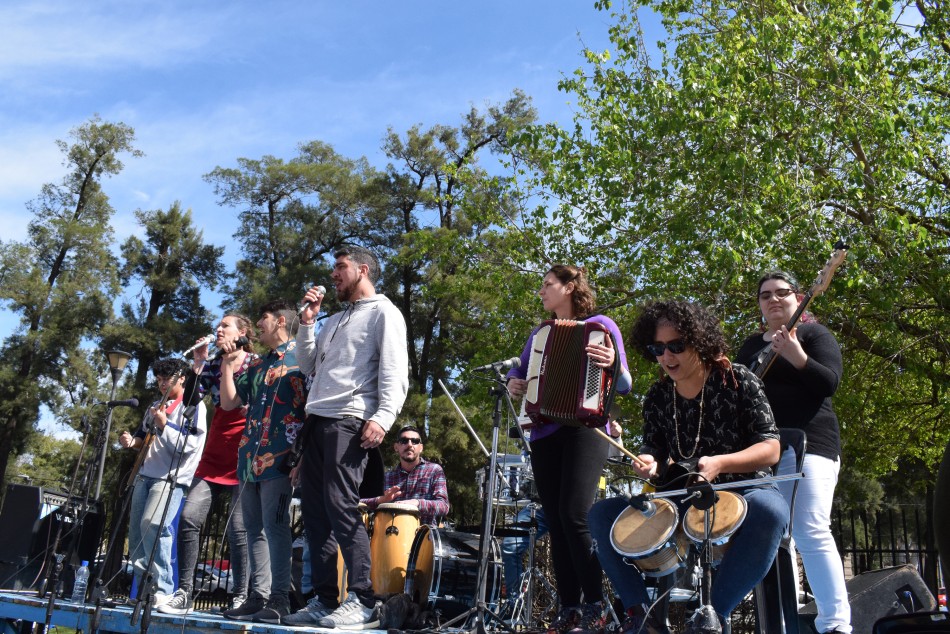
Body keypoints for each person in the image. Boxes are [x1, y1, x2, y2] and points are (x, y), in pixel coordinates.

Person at [588, 300, 788, 634]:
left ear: (700, 342)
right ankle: (642, 616)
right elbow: (652, 449)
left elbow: (771, 448)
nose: (667, 357)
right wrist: (649, 461)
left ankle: (713, 618)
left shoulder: (740, 379)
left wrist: (721, 463)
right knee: (601, 515)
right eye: (657, 348)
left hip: (745, 488)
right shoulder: (657, 395)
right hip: (680, 493)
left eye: (676, 346)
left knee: (772, 512)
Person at [285, 244, 409, 629]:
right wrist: (308, 324)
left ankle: (363, 598)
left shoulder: (384, 312)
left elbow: (395, 370)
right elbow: (308, 367)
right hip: (317, 422)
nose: (333, 274)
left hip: (349, 421)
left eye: (341, 267)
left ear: (364, 270)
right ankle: (324, 600)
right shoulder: (335, 319)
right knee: (316, 515)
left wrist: (384, 416)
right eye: (334, 267)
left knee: (341, 507)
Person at [506, 264, 633, 633]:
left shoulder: (603, 326)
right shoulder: (539, 335)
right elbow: (522, 375)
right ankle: (569, 608)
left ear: (570, 287)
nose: (542, 292)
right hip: (545, 431)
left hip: (587, 427)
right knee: (557, 521)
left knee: (575, 515)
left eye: (548, 285)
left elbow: (623, 384)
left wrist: (612, 365)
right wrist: (515, 384)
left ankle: (596, 604)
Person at [735, 271, 851, 634]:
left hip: (812, 443)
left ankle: (836, 624)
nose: (773, 300)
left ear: (800, 297)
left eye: (782, 293)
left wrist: (796, 354)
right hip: (766, 451)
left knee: (810, 527)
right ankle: (783, 621)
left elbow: (828, 382)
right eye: (765, 295)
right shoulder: (751, 347)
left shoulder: (815, 334)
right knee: (774, 534)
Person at [159, 314, 259, 615]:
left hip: (244, 453)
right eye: (218, 325)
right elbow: (191, 401)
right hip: (214, 453)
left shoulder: (255, 362)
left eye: (225, 326)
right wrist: (197, 367)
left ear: (241, 333)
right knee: (189, 517)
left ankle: (241, 595)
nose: (218, 329)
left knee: (239, 529)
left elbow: (242, 400)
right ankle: (185, 592)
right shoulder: (213, 362)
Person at [216, 300, 308, 624]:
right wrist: (228, 363)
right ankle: (258, 596)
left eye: (264, 318)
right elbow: (229, 403)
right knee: (252, 527)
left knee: (275, 526)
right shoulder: (257, 365)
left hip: (282, 457)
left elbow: (314, 409)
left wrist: (303, 455)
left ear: (280, 321)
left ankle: (280, 599)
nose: (259, 323)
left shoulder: (303, 357)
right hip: (249, 459)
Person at [120, 357, 207, 603]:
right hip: (145, 474)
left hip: (170, 478)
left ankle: (164, 589)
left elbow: (189, 446)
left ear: (182, 378)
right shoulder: (156, 405)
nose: (162, 384)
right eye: (158, 379)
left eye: (166, 379)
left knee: (155, 525)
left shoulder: (192, 406)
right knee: (137, 533)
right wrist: (131, 442)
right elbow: (143, 440)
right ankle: (144, 592)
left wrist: (165, 424)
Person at [359, 424, 449, 526]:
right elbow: (360, 502)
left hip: (424, 538)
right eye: (404, 441)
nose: (410, 444)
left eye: (415, 441)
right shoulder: (387, 477)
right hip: (388, 537)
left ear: (421, 448)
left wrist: (417, 503)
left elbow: (444, 506)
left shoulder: (434, 470)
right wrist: (381, 500)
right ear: (396, 447)